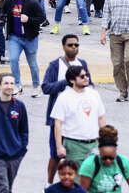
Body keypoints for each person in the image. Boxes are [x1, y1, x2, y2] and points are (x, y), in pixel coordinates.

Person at [43, 34, 93, 184]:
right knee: (55, 154)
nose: (74, 48)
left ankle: (74, 183)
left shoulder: (82, 63)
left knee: (76, 153)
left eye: (76, 45)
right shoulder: (55, 65)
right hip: (59, 117)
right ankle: (49, 183)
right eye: (70, 45)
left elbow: (90, 84)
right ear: (64, 47)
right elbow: (46, 87)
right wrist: (66, 82)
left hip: (78, 117)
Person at [51, 65, 106, 168]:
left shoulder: (94, 94)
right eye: (82, 76)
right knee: (77, 180)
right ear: (72, 80)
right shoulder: (64, 97)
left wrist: (105, 140)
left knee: (94, 179)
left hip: (94, 144)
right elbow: (58, 123)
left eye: (86, 75)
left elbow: (101, 118)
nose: (86, 78)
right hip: (74, 145)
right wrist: (59, 147)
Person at [2, 0, 44, 97]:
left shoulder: (33, 2)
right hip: (14, 37)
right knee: (13, 59)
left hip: (30, 37)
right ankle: (17, 85)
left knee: (32, 63)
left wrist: (29, 19)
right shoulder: (9, 0)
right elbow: (3, 13)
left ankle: (36, 86)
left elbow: (42, 18)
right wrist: (0, 19)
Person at [77, 125, 129, 193]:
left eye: (111, 158)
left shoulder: (123, 162)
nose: (108, 161)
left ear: (115, 152)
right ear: (99, 152)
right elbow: (82, 190)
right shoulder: (90, 164)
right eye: (104, 158)